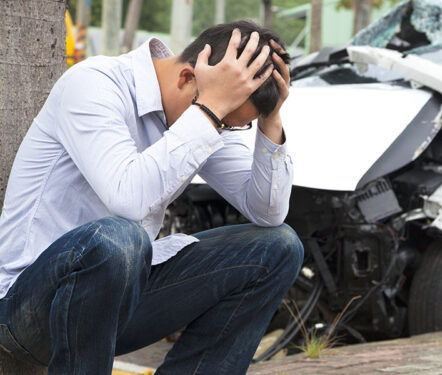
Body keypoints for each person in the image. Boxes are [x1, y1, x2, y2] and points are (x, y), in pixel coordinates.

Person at [0, 20, 302, 374]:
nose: (220, 129)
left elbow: (268, 212)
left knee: (279, 246)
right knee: (118, 239)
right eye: (222, 120)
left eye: (228, 124)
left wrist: (271, 119)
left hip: (119, 304)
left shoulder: (206, 110)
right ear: (188, 78)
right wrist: (209, 112)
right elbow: (128, 199)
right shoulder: (95, 83)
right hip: (30, 308)